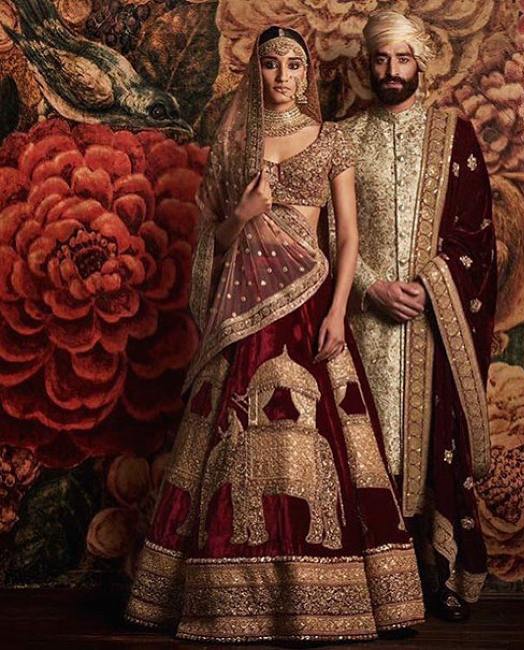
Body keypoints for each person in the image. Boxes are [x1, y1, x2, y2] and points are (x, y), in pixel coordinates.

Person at [124, 26, 425, 644]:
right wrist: (244, 214)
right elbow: (214, 242)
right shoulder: (235, 142)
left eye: (293, 65)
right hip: (246, 313)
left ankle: (332, 595)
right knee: (231, 444)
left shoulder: (331, 140)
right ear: (255, 71)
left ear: (307, 73)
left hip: (310, 306)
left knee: (326, 446)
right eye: (270, 64)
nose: (283, 76)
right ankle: (226, 600)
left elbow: (348, 240)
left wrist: (338, 312)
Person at [335, 11, 497, 622]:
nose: (392, 71)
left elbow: (477, 235)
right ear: (368, 64)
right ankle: (371, 586)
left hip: (432, 325)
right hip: (362, 322)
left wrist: (433, 287)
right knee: (365, 447)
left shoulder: (454, 135)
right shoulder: (344, 138)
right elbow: (326, 234)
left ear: (420, 64)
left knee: (429, 447)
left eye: (402, 59)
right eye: (382, 59)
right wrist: (372, 287)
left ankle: (436, 574)